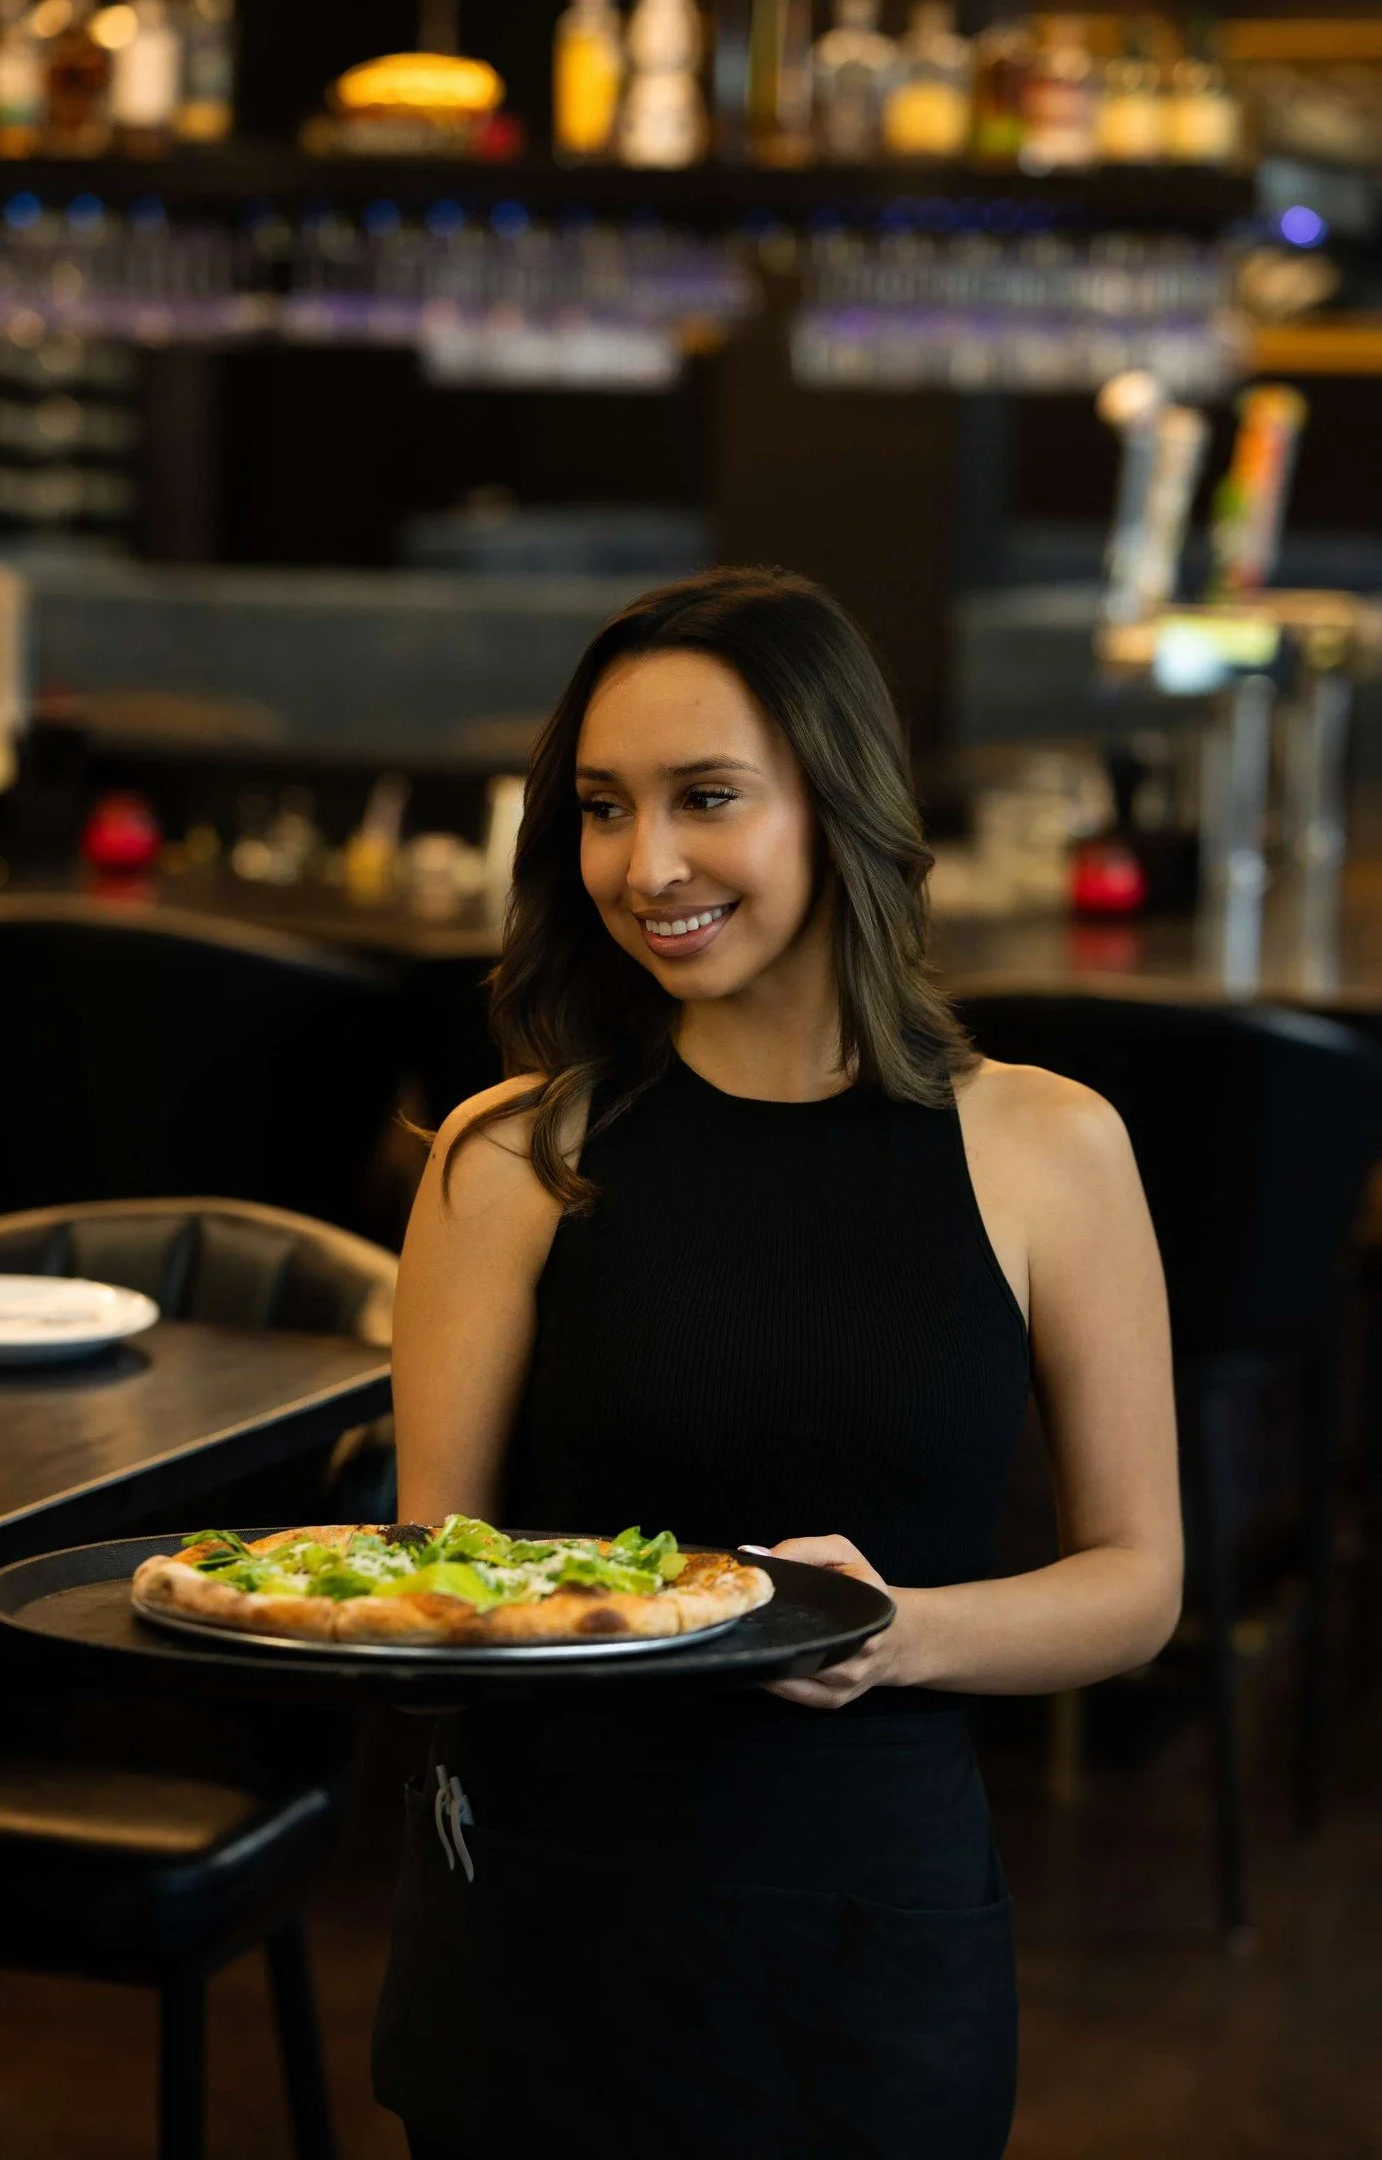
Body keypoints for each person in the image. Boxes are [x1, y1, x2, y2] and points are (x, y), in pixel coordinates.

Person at [373, 566, 1181, 2158]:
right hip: (549, 1935)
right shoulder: (513, 1157)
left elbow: (1138, 1584)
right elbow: (430, 1595)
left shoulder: (1050, 1147)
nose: (645, 865)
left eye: (707, 797)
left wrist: (897, 1633)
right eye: (603, 808)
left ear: (837, 800)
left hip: (870, 1947)